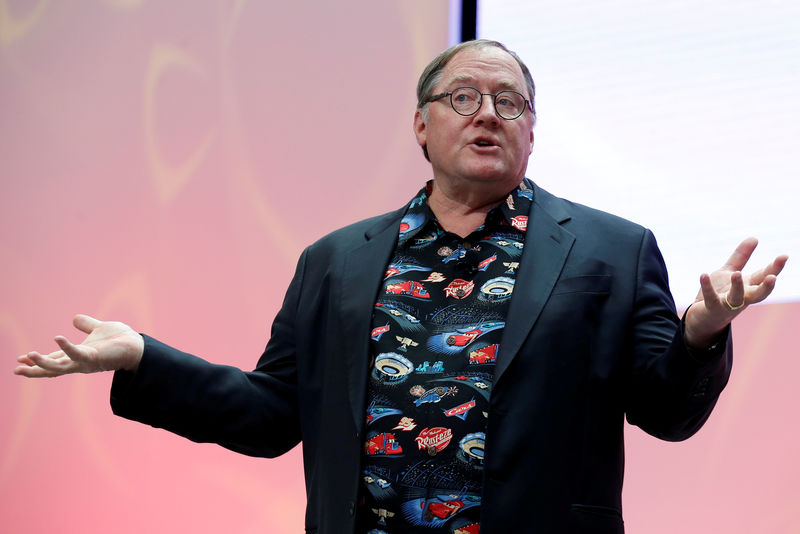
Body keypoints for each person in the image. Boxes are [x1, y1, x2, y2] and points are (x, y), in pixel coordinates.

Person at [15, 40, 787, 534]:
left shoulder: (610, 251)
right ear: (421, 125)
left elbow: (666, 412)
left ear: (531, 128)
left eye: (509, 102)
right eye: (464, 98)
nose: (487, 113)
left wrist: (699, 333)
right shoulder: (337, 261)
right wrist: (144, 360)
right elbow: (271, 415)